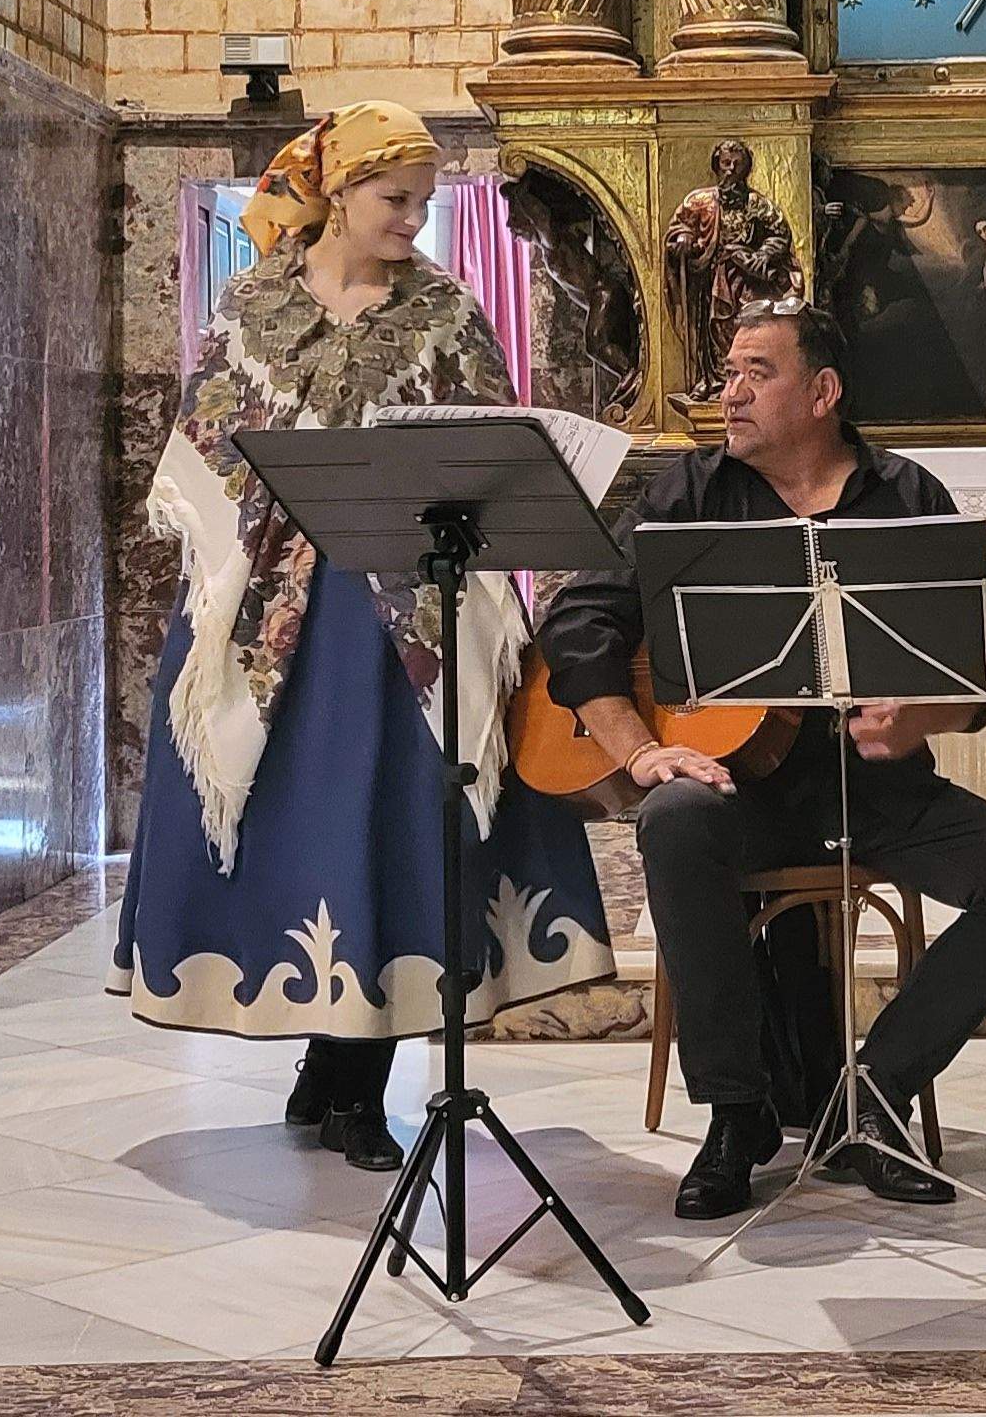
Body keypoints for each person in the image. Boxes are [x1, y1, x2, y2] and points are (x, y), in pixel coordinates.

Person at [114, 103, 616, 1172]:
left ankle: (356, 1083)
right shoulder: (249, 307)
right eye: (396, 201)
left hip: (405, 617)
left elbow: (491, 448)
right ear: (337, 194)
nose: (413, 223)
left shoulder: (443, 309)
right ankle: (320, 1060)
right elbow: (205, 445)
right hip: (273, 610)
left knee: (392, 827)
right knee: (291, 831)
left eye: (426, 204)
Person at [537, 302, 986, 1221]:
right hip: (736, 789)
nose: (729, 393)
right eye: (728, 374)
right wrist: (641, 752)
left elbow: (974, 669)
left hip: (877, 790)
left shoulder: (906, 495)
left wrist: (916, 724)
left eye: (757, 372)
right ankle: (734, 1114)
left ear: (823, 392)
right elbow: (581, 621)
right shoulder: (690, 491)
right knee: (674, 823)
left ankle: (869, 1101)